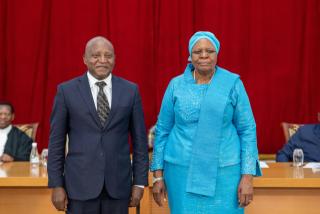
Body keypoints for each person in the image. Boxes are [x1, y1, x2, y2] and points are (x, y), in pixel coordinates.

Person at [150, 31, 261, 214]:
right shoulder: (176, 85)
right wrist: (158, 177)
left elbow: (247, 130)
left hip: (225, 173)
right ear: (189, 56)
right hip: (181, 171)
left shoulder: (232, 84)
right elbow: (162, 131)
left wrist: (247, 177)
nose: (203, 55)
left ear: (217, 53)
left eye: (209, 51)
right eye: (197, 51)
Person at [48, 36, 149, 214]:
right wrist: (56, 184)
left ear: (114, 59)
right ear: (84, 59)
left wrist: (139, 182)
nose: (102, 60)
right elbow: (56, 142)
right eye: (96, 55)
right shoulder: (66, 91)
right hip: (79, 187)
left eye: (108, 55)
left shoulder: (130, 91)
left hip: (119, 187)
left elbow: (140, 142)